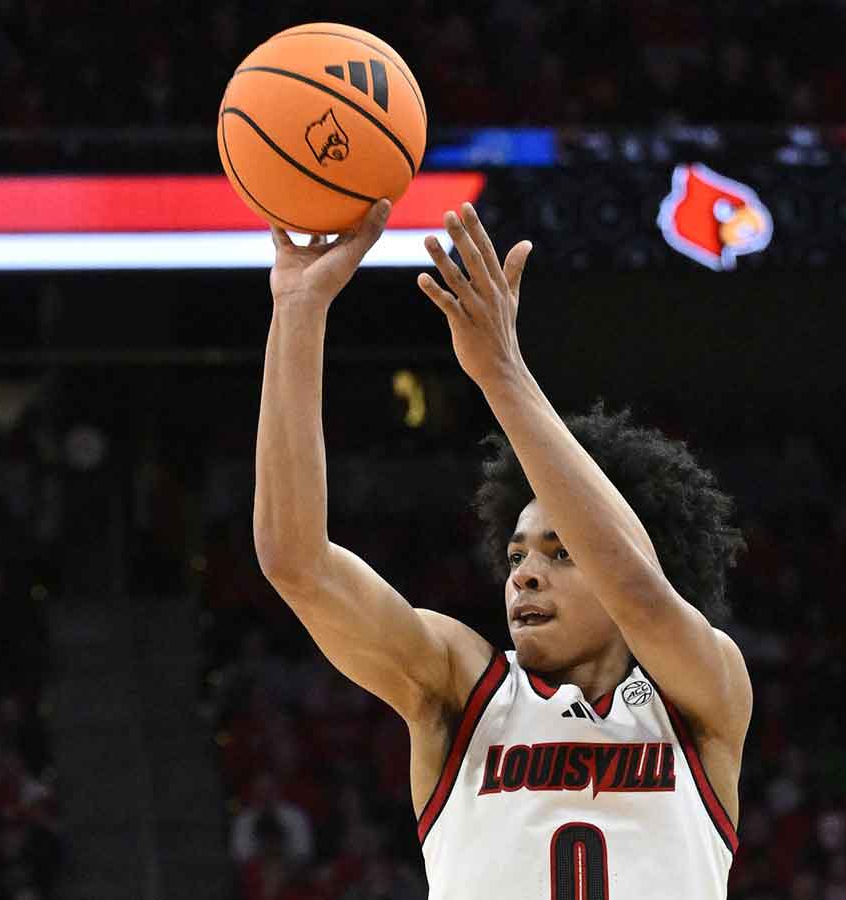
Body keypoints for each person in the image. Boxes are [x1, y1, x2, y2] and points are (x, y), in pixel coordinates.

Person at [253, 201, 749, 897]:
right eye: (516, 557)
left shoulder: (700, 692)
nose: (526, 578)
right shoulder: (461, 685)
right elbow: (295, 562)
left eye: (560, 552)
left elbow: (637, 591)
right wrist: (298, 310)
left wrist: (504, 377)